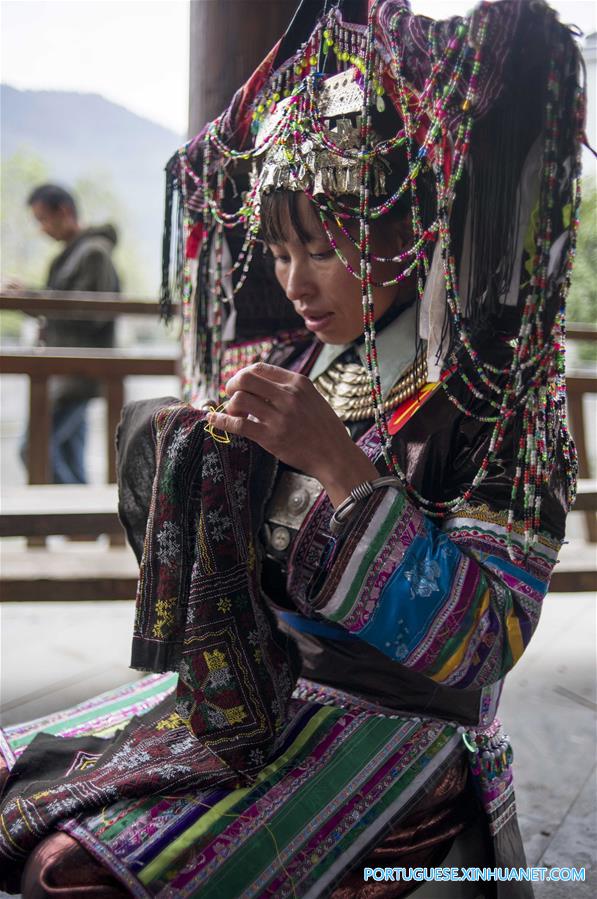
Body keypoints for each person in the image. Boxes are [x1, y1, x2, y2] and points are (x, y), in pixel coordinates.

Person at [0, 1, 584, 897]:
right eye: (276, 251)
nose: (294, 282)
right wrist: (184, 455)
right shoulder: (299, 361)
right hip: (266, 698)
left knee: (70, 873)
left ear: (412, 225)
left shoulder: (499, 401)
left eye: (321, 246)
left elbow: (483, 640)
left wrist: (343, 470)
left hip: (407, 729)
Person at [22, 183, 121, 484]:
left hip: (77, 375)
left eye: (44, 219)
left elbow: (92, 314)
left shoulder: (92, 253)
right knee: (68, 456)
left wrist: (32, 299)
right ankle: (82, 532)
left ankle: (78, 527)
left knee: (32, 449)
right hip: (68, 374)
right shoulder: (77, 253)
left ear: (64, 211)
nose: (42, 228)